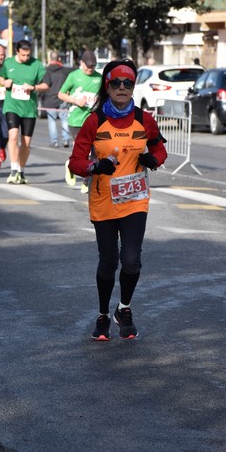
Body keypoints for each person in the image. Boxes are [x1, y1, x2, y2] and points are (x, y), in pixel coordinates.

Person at [68, 59, 168, 341]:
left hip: (135, 201)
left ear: (133, 86)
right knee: (108, 262)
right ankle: (102, 314)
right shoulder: (94, 121)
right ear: (107, 87)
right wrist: (93, 167)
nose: (122, 88)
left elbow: (160, 149)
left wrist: (153, 159)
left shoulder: (144, 119)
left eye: (127, 83)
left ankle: (123, 309)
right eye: (116, 83)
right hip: (103, 202)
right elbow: (75, 161)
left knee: (132, 260)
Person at [0, 40, 48, 184]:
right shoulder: (9, 63)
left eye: (28, 55)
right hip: (12, 106)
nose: (26, 58)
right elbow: (1, 77)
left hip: (29, 109)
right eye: (23, 55)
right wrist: (4, 82)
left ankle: (21, 171)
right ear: (17, 52)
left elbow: (46, 84)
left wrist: (34, 87)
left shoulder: (36, 64)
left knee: (26, 142)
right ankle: (13, 170)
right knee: (13, 136)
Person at [58, 50, 102, 194]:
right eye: (88, 66)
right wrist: (75, 100)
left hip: (93, 120)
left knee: (94, 151)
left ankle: (86, 181)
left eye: (93, 66)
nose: (90, 69)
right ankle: (70, 165)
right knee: (83, 152)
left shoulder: (99, 78)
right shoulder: (74, 76)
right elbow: (61, 94)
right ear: (81, 63)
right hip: (76, 119)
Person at [42, 51, 71, 148]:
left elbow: (45, 84)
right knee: (64, 119)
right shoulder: (65, 71)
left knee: (52, 121)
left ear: (51, 59)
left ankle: (54, 141)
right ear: (59, 59)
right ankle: (66, 139)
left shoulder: (47, 71)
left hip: (50, 99)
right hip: (62, 98)